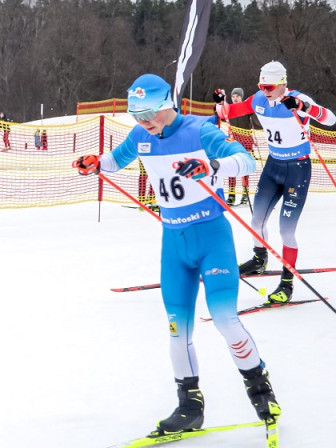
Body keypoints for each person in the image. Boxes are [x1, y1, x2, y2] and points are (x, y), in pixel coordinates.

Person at [74, 73, 280, 434]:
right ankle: (189, 407)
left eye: (150, 114)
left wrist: (212, 165)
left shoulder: (200, 130)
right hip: (174, 245)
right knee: (176, 330)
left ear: (169, 103)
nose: (145, 123)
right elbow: (114, 160)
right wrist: (94, 162)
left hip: (212, 238)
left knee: (225, 319)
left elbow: (245, 160)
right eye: (137, 116)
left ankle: (259, 387)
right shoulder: (141, 136)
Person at [215, 61, 336, 303]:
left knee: (286, 230)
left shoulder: (296, 99)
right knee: (256, 220)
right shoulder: (258, 99)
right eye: (262, 84)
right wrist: (221, 102)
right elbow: (229, 112)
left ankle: (287, 283)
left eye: (270, 85)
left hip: (298, 169)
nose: (265, 89)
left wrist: (304, 107)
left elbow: (331, 119)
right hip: (274, 167)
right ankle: (260, 259)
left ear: (283, 84)